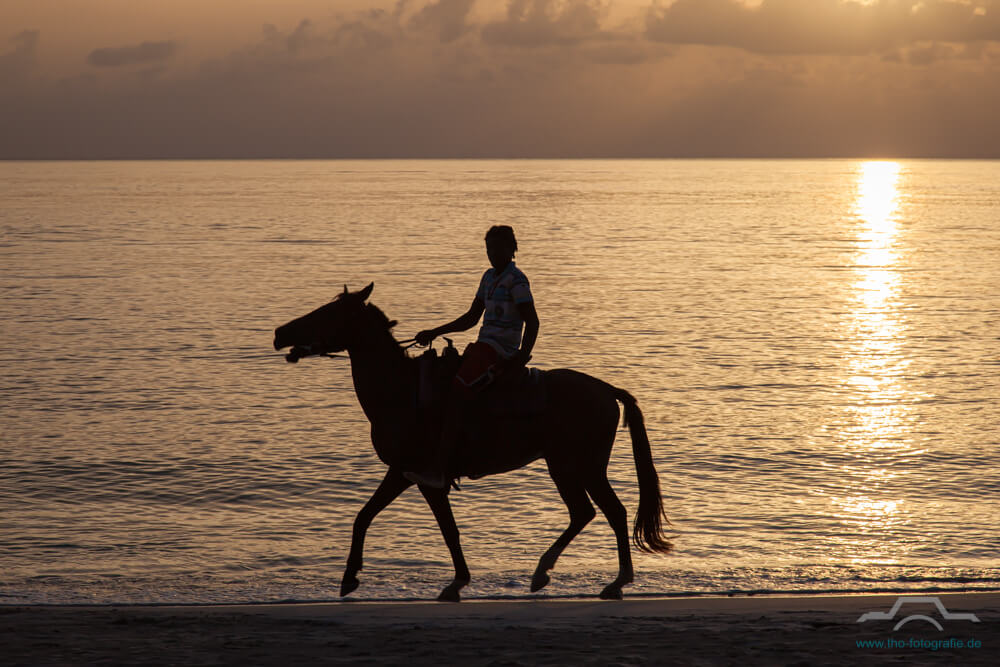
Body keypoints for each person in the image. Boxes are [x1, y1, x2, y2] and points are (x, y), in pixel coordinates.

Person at [404, 225, 538, 489]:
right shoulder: (488, 278)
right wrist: (435, 331)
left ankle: (440, 469)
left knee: (456, 392)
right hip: (482, 347)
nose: (492, 254)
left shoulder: (517, 280)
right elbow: (471, 318)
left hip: (500, 351)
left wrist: (520, 357)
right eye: (488, 249)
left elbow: (533, 322)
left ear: (511, 250)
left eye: (497, 248)